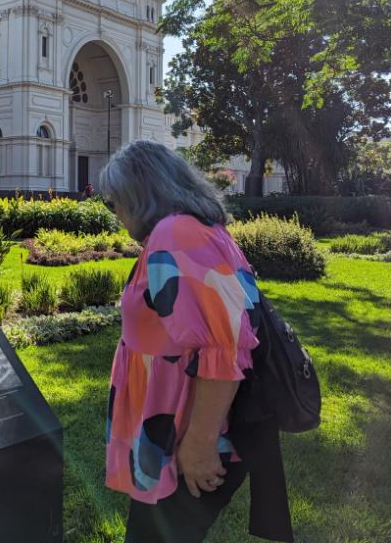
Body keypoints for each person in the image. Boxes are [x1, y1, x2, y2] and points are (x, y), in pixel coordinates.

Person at [98, 141, 287, 543]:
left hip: (187, 435)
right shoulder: (184, 230)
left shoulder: (177, 235)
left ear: (139, 194)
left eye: (113, 200)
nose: (112, 210)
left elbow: (226, 345)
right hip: (168, 431)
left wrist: (199, 445)